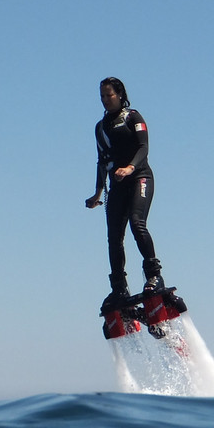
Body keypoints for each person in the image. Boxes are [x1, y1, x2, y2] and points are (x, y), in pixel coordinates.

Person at [85, 77, 166, 308]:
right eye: (101, 96)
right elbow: (102, 161)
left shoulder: (133, 117)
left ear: (120, 94)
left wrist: (130, 168)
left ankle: (154, 276)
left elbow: (143, 147)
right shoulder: (100, 128)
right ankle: (119, 288)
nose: (105, 100)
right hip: (117, 185)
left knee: (136, 223)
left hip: (140, 176)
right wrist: (97, 194)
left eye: (109, 95)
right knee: (113, 236)